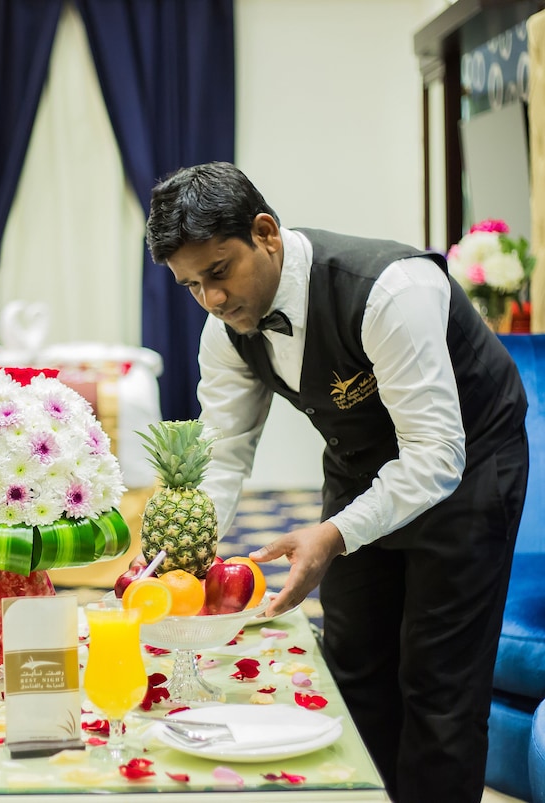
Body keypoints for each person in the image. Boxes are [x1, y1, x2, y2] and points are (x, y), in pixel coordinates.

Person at [144, 162, 528, 803]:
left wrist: (334, 533)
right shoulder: (227, 331)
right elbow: (225, 453)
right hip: (359, 469)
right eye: (191, 286)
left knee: (440, 687)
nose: (211, 299)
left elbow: (436, 453)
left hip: (469, 467)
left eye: (218, 272)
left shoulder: (388, 290)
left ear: (265, 233)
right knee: (354, 669)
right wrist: (180, 552)